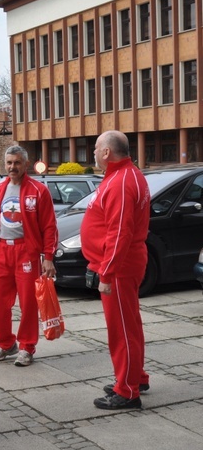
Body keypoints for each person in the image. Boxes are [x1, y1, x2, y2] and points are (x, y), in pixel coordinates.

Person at [82, 130, 150, 410]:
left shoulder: (122, 181)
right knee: (129, 324)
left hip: (120, 266)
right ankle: (135, 377)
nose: (94, 154)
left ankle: (128, 390)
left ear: (108, 152)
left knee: (122, 329)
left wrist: (106, 274)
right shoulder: (122, 176)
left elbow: (120, 232)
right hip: (120, 263)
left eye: (97, 149)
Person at [0, 145, 57, 367]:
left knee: (28, 303)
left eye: (17, 163)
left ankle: (27, 346)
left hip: (27, 252)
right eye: (9, 163)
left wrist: (48, 257)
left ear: (25, 163)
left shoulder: (38, 191)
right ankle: (6, 343)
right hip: (2, 251)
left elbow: (49, 226)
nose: (12, 167)